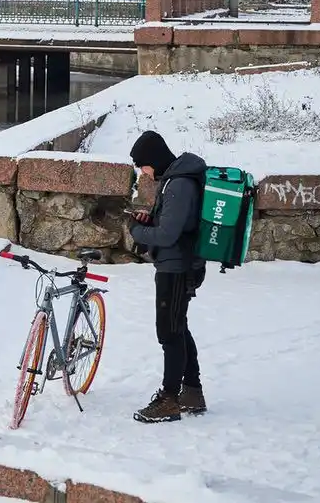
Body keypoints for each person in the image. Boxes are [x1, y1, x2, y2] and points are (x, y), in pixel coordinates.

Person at [128, 129, 208, 423]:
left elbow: (168, 234)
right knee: (179, 326)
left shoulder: (178, 184)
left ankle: (169, 399)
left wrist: (137, 231)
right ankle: (192, 392)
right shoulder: (177, 179)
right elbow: (173, 223)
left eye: (143, 165)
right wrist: (150, 219)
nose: (144, 173)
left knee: (169, 332)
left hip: (176, 267)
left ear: (154, 158)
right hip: (180, 263)